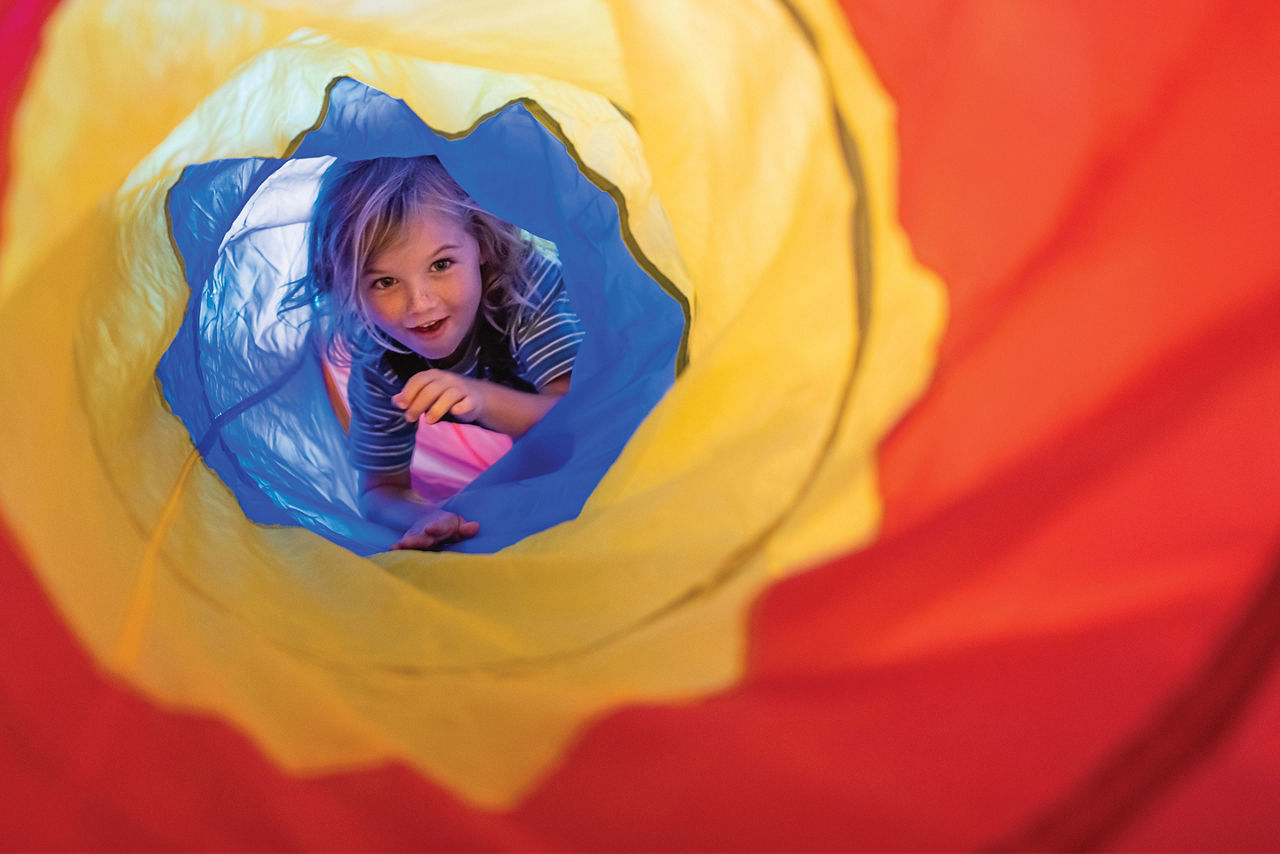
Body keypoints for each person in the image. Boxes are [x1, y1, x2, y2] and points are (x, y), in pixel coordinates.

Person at [303, 155, 583, 550]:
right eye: (385, 281)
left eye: (441, 264)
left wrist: (481, 400)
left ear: (482, 244)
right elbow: (380, 489)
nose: (419, 303)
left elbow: (579, 421)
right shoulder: (380, 357)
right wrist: (427, 517)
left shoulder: (526, 290)